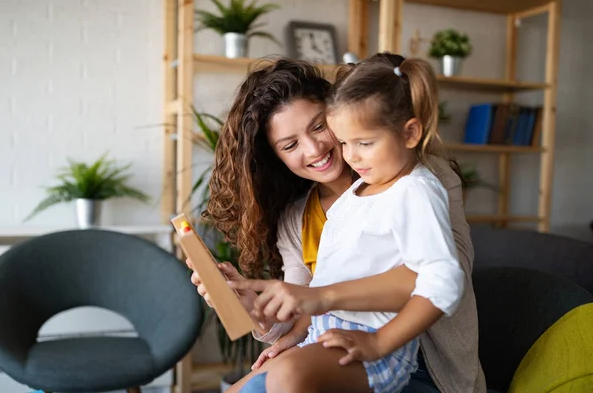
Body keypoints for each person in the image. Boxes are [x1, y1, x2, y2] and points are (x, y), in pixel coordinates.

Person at [189, 54, 486, 393]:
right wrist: (251, 305)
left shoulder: (420, 180)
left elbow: (444, 277)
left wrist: (322, 298)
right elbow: (302, 319)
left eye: (318, 126)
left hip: (420, 364)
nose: (315, 148)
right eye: (290, 145)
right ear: (276, 158)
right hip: (331, 343)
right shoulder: (305, 215)